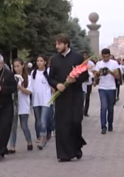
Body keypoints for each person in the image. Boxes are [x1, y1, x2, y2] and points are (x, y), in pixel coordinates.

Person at [48, 34, 89, 162]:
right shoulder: (54, 60)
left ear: (66, 44)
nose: (57, 47)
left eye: (59, 44)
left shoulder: (77, 57)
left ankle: (76, 146)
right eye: (56, 44)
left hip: (75, 95)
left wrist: (74, 79)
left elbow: (85, 76)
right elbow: (50, 78)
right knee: (62, 125)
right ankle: (63, 154)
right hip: (61, 97)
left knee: (75, 122)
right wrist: (57, 84)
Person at [8, 59, 33, 153]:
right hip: (14, 105)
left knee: (24, 125)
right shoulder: (12, 77)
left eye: (18, 66)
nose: (16, 68)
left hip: (23, 105)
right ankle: (12, 146)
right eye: (14, 66)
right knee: (13, 126)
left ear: (23, 66)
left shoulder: (28, 78)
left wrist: (20, 87)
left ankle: (29, 141)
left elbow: (29, 91)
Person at [93, 48, 120, 134]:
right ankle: (103, 126)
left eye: (107, 57)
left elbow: (118, 76)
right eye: (104, 57)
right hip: (102, 88)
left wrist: (109, 72)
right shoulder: (98, 64)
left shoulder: (114, 63)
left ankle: (110, 124)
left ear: (110, 55)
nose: (105, 58)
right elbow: (96, 77)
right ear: (102, 56)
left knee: (110, 108)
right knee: (103, 107)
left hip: (112, 88)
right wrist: (98, 73)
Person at [31, 55, 52, 149]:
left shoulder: (48, 71)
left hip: (46, 100)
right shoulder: (33, 72)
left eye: (41, 61)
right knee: (38, 121)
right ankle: (40, 136)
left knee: (43, 121)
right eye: (38, 60)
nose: (39, 62)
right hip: (36, 100)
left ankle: (43, 140)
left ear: (45, 62)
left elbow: (52, 84)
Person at [81, 51, 95, 117]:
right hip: (82, 83)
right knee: (81, 97)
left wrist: (94, 80)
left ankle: (85, 111)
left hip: (88, 82)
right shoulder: (79, 63)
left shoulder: (91, 63)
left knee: (87, 97)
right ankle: (81, 110)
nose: (84, 56)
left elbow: (94, 72)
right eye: (83, 55)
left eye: (86, 55)